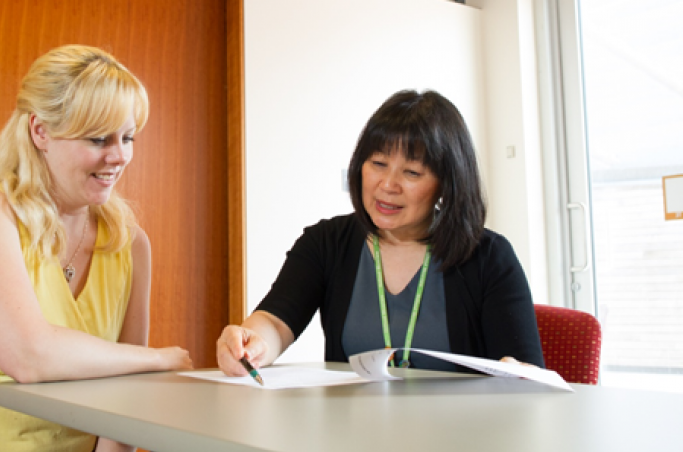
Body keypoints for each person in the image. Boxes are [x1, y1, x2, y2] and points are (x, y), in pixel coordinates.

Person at [0, 45, 193, 452]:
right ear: (40, 131)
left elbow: (128, 397)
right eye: (99, 138)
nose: (119, 156)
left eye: (128, 137)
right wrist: (158, 359)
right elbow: (30, 356)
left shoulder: (129, 241)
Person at [217, 89, 544, 377]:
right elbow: (275, 322)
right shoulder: (326, 243)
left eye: (412, 172)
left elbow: (525, 370)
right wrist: (251, 344)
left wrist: (518, 373)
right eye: (378, 164)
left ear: (447, 183)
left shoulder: (489, 257)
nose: (388, 186)